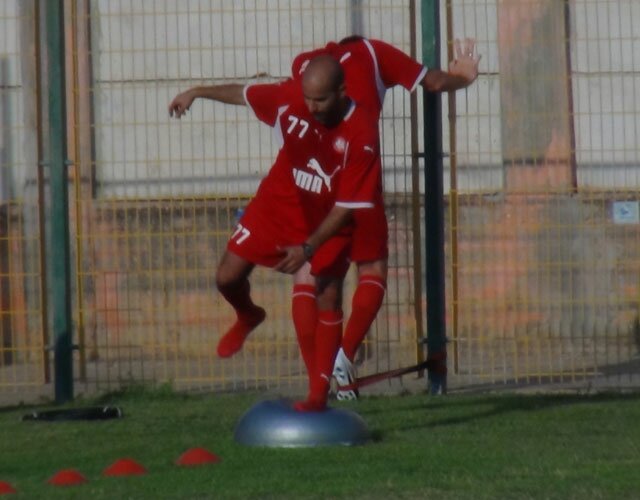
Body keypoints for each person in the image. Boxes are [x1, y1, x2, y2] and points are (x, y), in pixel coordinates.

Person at [170, 56, 384, 411]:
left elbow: (347, 206)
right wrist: (197, 92)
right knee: (226, 277)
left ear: (342, 92)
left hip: (328, 217)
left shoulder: (362, 134)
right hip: (280, 200)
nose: (312, 108)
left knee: (328, 293)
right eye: (308, 98)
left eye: (320, 100)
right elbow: (244, 94)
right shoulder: (290, 98)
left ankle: (317, 395)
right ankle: (249, 314)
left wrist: (308, 247)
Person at [276, 36, 481, 400]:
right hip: (358, 175)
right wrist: (463, 77)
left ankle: (317, 383)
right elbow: (433, 82)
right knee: (371, 268)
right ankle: (344, 356)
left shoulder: (306, 63)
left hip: (313, 180)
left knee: (308, 275)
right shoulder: (373, 52)